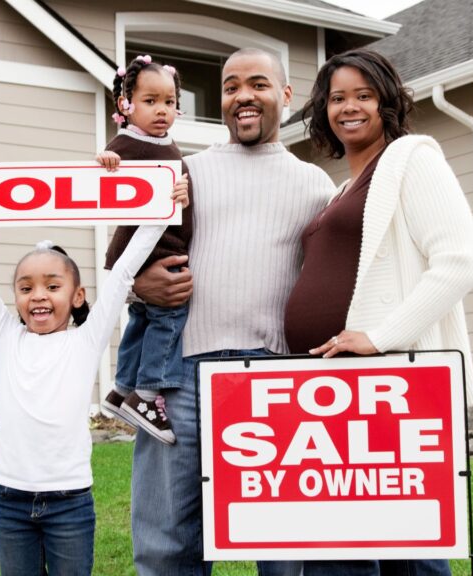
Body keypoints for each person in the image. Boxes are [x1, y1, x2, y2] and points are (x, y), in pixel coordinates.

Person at [0, 174, 188, 575]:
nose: (38, 294)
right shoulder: (6, 336)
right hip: (10, 500)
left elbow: (124, 272)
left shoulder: (86, 340)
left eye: (52, 286)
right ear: (17, 298)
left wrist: (162, 210)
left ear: (77, 296)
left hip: (69, 503)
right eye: (26, 288)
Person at [128, 48, 334, 576]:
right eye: (230, 86)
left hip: (273, 377)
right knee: (166, 543)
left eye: (258, 84)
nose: (243, 96)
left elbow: (332, 279)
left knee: (284, 550)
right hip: (179, 376)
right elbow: (129, 250)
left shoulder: (316, 185)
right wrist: (137, 285)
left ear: (285, 95)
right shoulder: (182, 173)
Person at [284, 49, 473, 576]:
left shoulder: (412, 159)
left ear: (387, 102)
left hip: (388, 384)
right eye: (337, 98)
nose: (349, 107)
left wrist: (379, 336)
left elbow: (461, 261)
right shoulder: (344, 187)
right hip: (334, 388)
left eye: (363, 95)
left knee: (405, 539)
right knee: (341, 539)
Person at [97, 54, 190, 445]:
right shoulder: (129, 142)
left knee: (141, 321)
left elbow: (172, 189)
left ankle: (121, 389)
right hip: (154, 252)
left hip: (156, 248)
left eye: (169, 102)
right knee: (169, 316)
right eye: (150, 101)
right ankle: (148, 394)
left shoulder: (164, 142)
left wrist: (182, 192)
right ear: (127, 105)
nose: (161, 110)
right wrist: (108, 160)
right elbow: (105, 170)